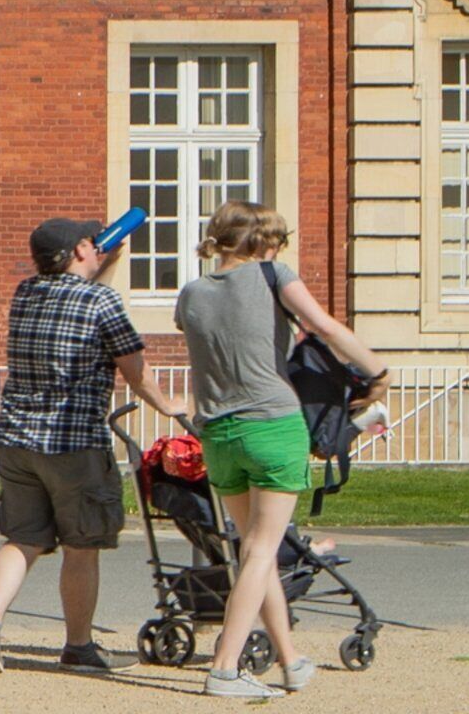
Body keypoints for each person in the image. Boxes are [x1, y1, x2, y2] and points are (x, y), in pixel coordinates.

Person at [171, 201, 386, 700]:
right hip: (272, 423)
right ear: (258, 242)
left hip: (218, 431)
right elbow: (326, 328)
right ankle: (225, 667)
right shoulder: (273, 274)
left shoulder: (191, 294)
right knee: (262, 551)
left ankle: (290, 662)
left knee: (253, 552)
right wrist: (378, 373)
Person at [0, 216, 190, 674]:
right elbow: (133, 368)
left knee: (23, 539)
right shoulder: (102, 300)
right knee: (81, 545)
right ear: (78, 252)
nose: (95, 244)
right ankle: (78, 646)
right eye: (89, 241)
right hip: (76, 444)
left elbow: (76, 300)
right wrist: (168, 405)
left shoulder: (27, 294)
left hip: (18, 440)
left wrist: (105, 264)